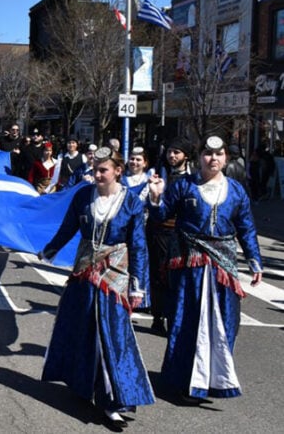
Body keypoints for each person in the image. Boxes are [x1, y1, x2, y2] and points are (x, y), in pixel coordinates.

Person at [39, 147, 153, 428]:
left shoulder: (131, 204)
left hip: (115, 275)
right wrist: (50, 249)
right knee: (81, 329)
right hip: (84, 272)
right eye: (94, 169)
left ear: (118, 171)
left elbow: (138, 246)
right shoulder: (82, 196)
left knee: (112, 335)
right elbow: (68, 228)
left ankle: (113, 400)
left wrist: (138, 287)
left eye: (103, 170)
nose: (97, 174)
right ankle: (82, 385)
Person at [148, 136, 263, 403]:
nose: (213, 159)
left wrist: (255, 261)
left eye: (218, 154)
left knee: (225, 322)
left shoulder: (235, 191)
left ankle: (215, 380)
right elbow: (161, 215)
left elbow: (246, 227)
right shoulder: (183, 186)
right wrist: (155, 198)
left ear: (226, 158)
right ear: (199, 157)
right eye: (208, 154)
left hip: (223, 265)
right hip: (190, 265)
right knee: (187, 322)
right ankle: (182, 381)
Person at [148, 136, 194, 336]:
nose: (172, 156)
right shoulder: (160, 175)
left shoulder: (193, 178)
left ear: (186, 155)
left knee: (178, 277)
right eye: (169, 152)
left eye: (176, 152)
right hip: (160, 231)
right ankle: (158, 318)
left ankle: (174, 316)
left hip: (183, 234)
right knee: (159, 274)